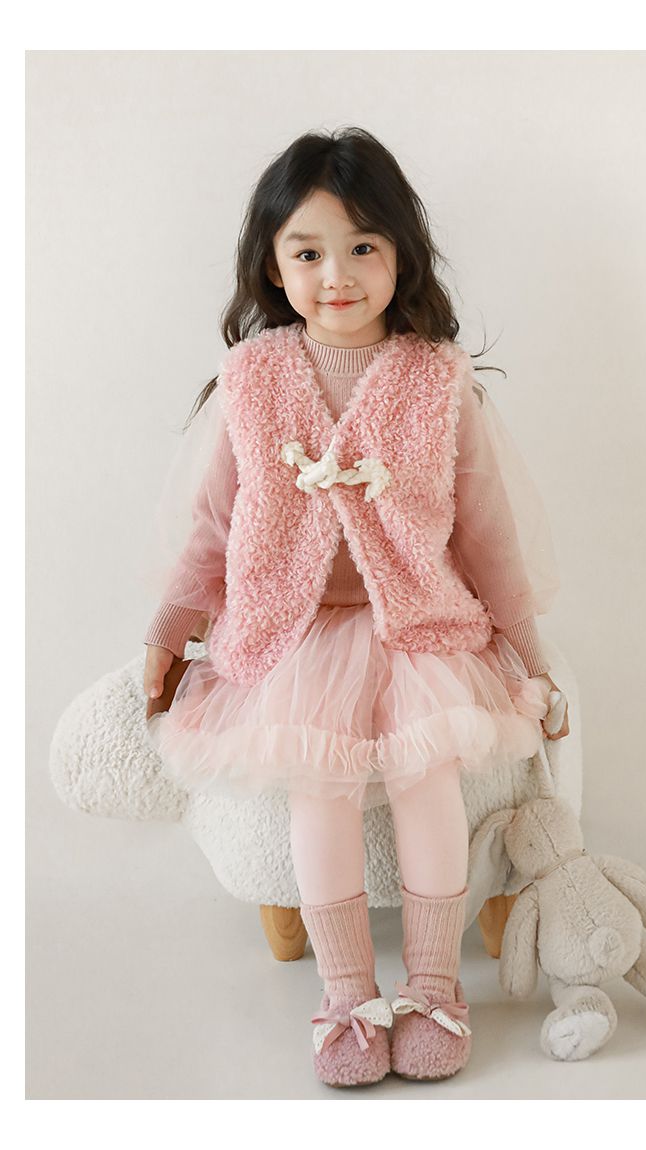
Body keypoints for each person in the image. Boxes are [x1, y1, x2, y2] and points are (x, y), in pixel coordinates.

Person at [142, 126, 570, 1088]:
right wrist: (173, 625)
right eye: (308, 252)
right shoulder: (255, 380)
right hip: (294, 630)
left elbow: (487, 535)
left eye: (362, 246)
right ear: (273, 265)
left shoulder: (435, 378)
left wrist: (529, 655)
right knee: (319, 786)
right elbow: (215, 525)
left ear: (400, 255)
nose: (336, 275)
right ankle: (346, 993)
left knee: (428, 779)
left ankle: (434, 986)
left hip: (417, 624)